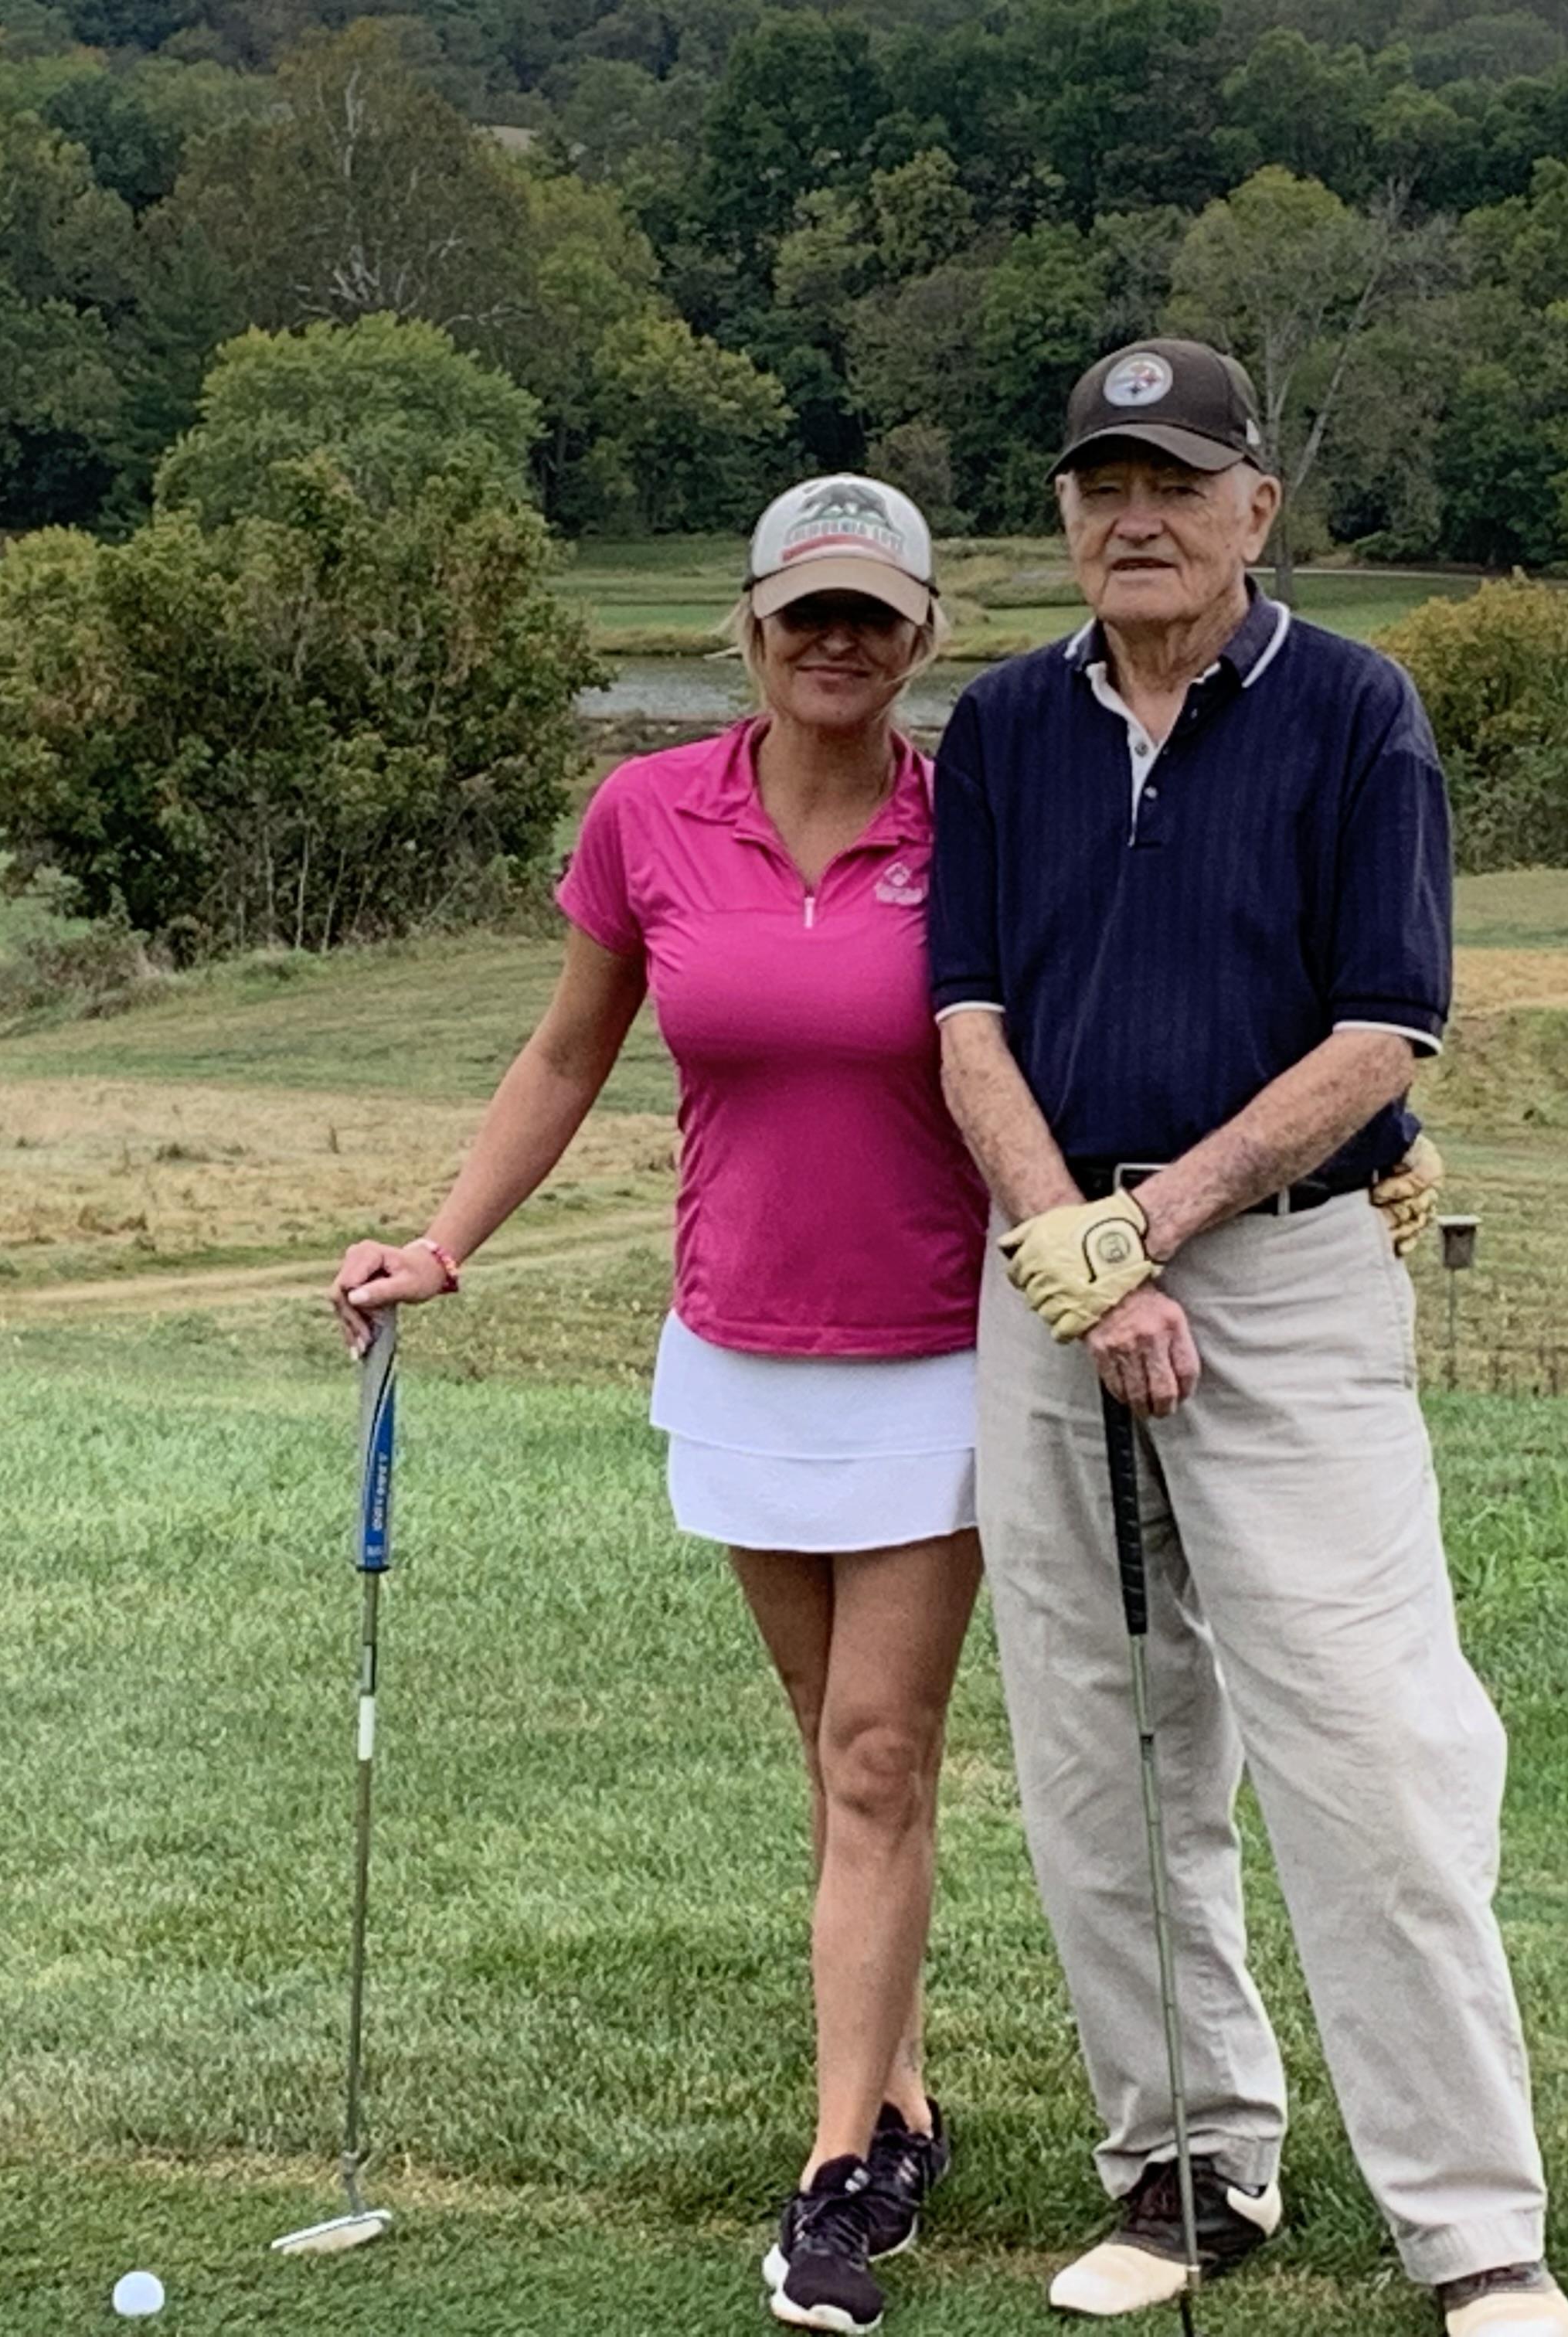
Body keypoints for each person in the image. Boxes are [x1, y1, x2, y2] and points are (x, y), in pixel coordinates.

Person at [925, 340, 1568, 2337]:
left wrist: (1165, 1224)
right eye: (1100, 483)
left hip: (1282, 1272)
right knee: (1107, 1754)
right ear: (1064, 514)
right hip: (1055, 1278)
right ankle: (1188, 2167)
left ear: (1256, 512)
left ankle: (1475, 2230)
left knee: (1371, 1751)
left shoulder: (1356, 710)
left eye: (1177, 483)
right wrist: (1082, 1255)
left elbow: (1384, 1029)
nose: (1135, 517)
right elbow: (967, 1024)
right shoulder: (1011, 726)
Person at [328, 476, 985, 2337]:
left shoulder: (977, 822)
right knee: (838, 1747)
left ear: (922, 633)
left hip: (935, 1353)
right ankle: (909, 2094)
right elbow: (567, 1048)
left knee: (878, 1756)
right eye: (806, 613)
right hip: (738, 1350)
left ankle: (837, 2177)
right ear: (752, 627)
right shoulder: (648, 815)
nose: (837, 642)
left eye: (872, 613)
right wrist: (447, 1243)